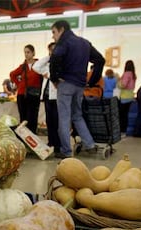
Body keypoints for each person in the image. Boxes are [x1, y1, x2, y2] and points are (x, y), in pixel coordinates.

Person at [49, 20, 105, 159]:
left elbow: (55, 58)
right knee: (77, 116)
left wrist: (55, 79)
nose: (53, 36)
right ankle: (90, 144)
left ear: (61, 29)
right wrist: (91, 81)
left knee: (64, 118)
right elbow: (100, 60)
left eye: (54, 32)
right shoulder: (85, 43)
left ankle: (66, 152)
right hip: (80, 86)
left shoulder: (64, 42)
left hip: (66, 84)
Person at [32, 42, 60, 153]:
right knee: (49, 121)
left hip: (57, 96)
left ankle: (58, 144)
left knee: (57, 121)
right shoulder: (46, 64)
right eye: (50, 50)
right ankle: (51, 141)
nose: (52, 51)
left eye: (54, 49)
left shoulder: (60, 62)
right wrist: (49, 57)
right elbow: (36, 66)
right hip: (47, 96)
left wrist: (50, 75)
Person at [10, 44, 43, 134]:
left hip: (35, 95)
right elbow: (12, 74)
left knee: (33, 117)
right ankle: (24, 137)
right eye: (25, 52)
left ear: (33, 53)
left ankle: (33, 137)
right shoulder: (23, 66)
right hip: (22, 95)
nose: (26, 54)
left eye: (28, 52)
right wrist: (19, 84)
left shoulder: (39, 65)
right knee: (23, 117)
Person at [118, 60, 137, 134]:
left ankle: (121, 130)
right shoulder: (133, 75)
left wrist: (118, 82)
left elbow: (123, 85)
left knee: (121, 114)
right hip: (130, 96)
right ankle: (124, 130)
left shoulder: (126, 74)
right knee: (125, 114)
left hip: (124, 97)